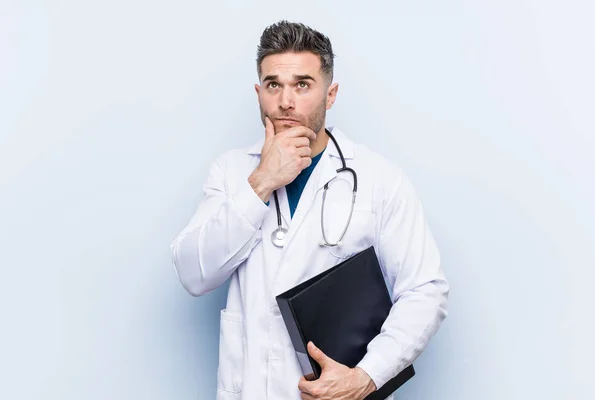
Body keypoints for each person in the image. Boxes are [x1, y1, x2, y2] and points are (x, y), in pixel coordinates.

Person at [170, 20, 449, 400]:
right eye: (273, 85)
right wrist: (261, 183)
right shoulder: (232, 171)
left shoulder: (381, 180)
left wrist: (366, 377)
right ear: (258, 93)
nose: (286, 101)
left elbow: (425, 291)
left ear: (330, 94)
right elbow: (193, 273)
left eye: (302, 85)